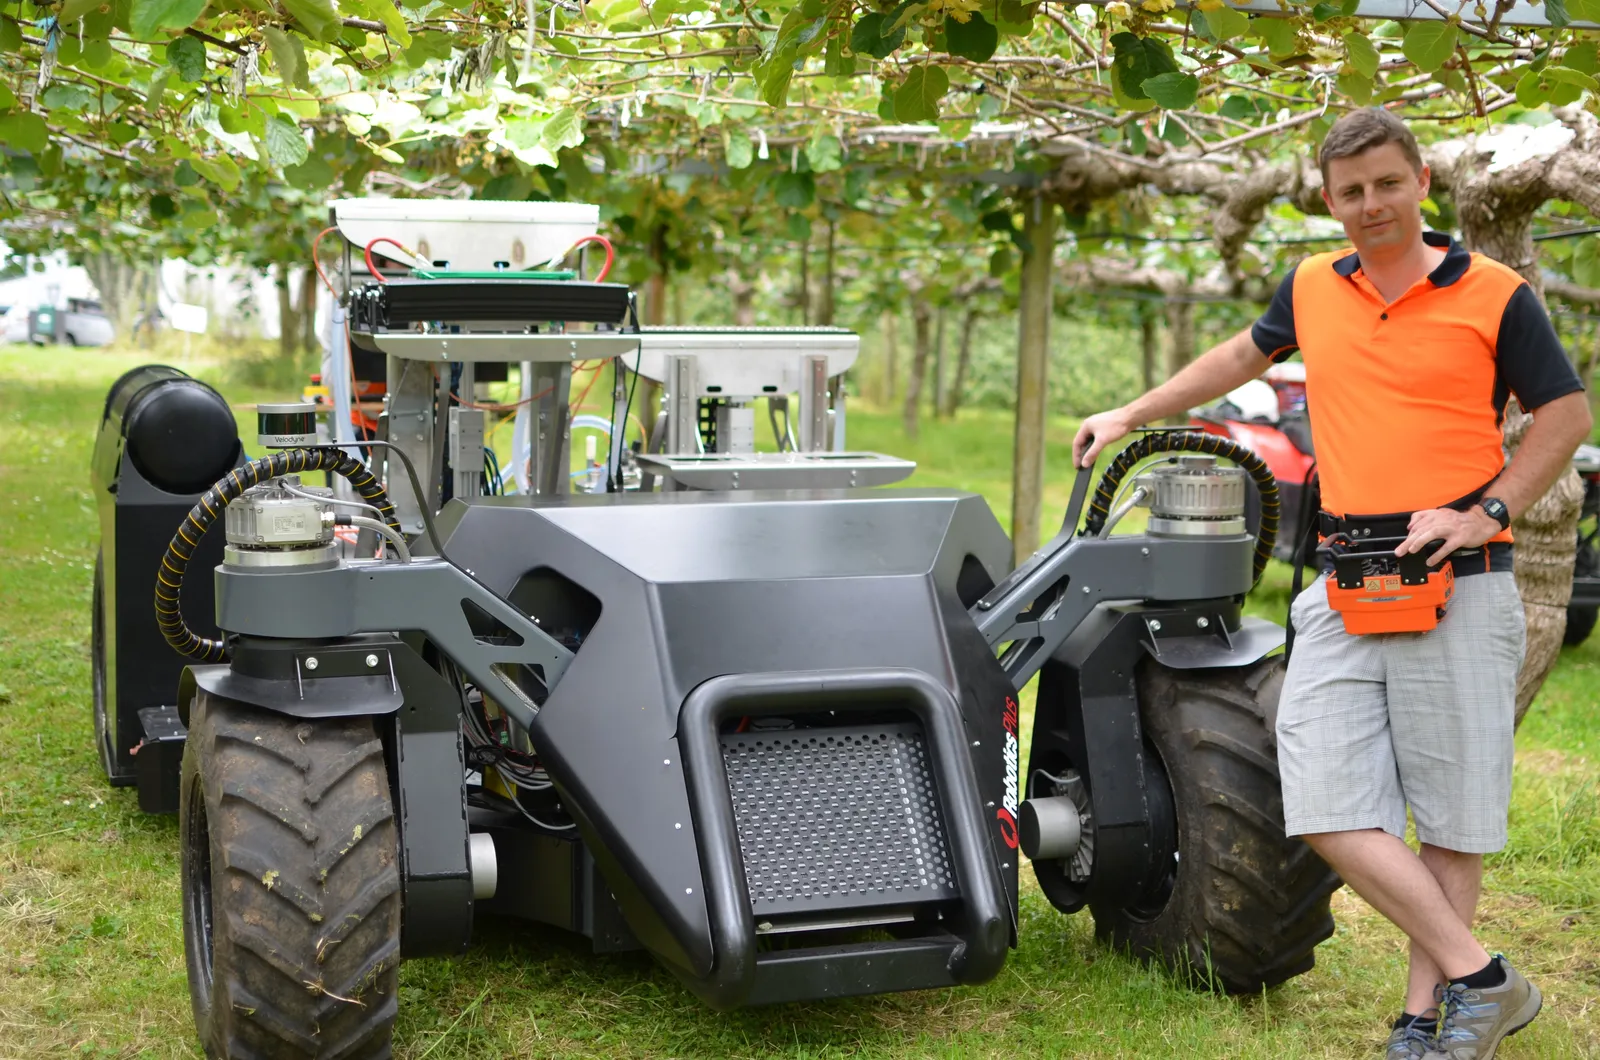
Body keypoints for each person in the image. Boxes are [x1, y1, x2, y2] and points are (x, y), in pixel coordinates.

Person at [1073, 108, 1592, 1059]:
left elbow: (1564, 410)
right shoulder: (1313, 285)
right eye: (1350, 192)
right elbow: (1241, 356)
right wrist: (1131, 412)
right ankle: (1484, 977)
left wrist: (1492, 508)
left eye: (1387, 184)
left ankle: (1429, 1022)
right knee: (1316, 801)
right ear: (1328, 200)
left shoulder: (1494, 293)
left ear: (1421, 181)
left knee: (1447, 815)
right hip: (1347, 580)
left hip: (1456, 573)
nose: (1371, 205)